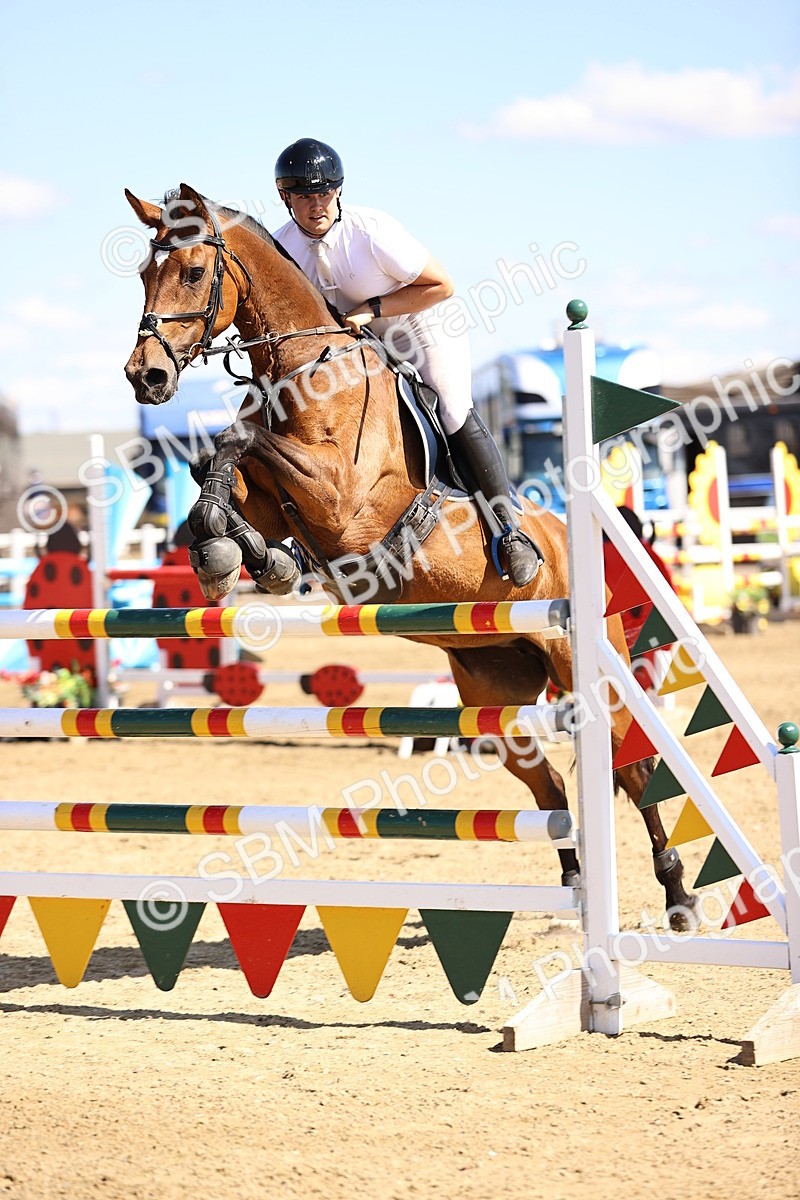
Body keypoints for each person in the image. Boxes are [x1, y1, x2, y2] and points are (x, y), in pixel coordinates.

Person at [272, 137, 540, 588]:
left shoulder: (371, 231)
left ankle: (507, 531)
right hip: (358, 346)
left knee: (452, 409)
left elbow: (441, 285)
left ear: (338, 191)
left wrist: (370, 310)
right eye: (303, 196)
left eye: (324, 193)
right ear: (286, 197)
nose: (316, 205)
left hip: (421, 326)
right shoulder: (282, 247)